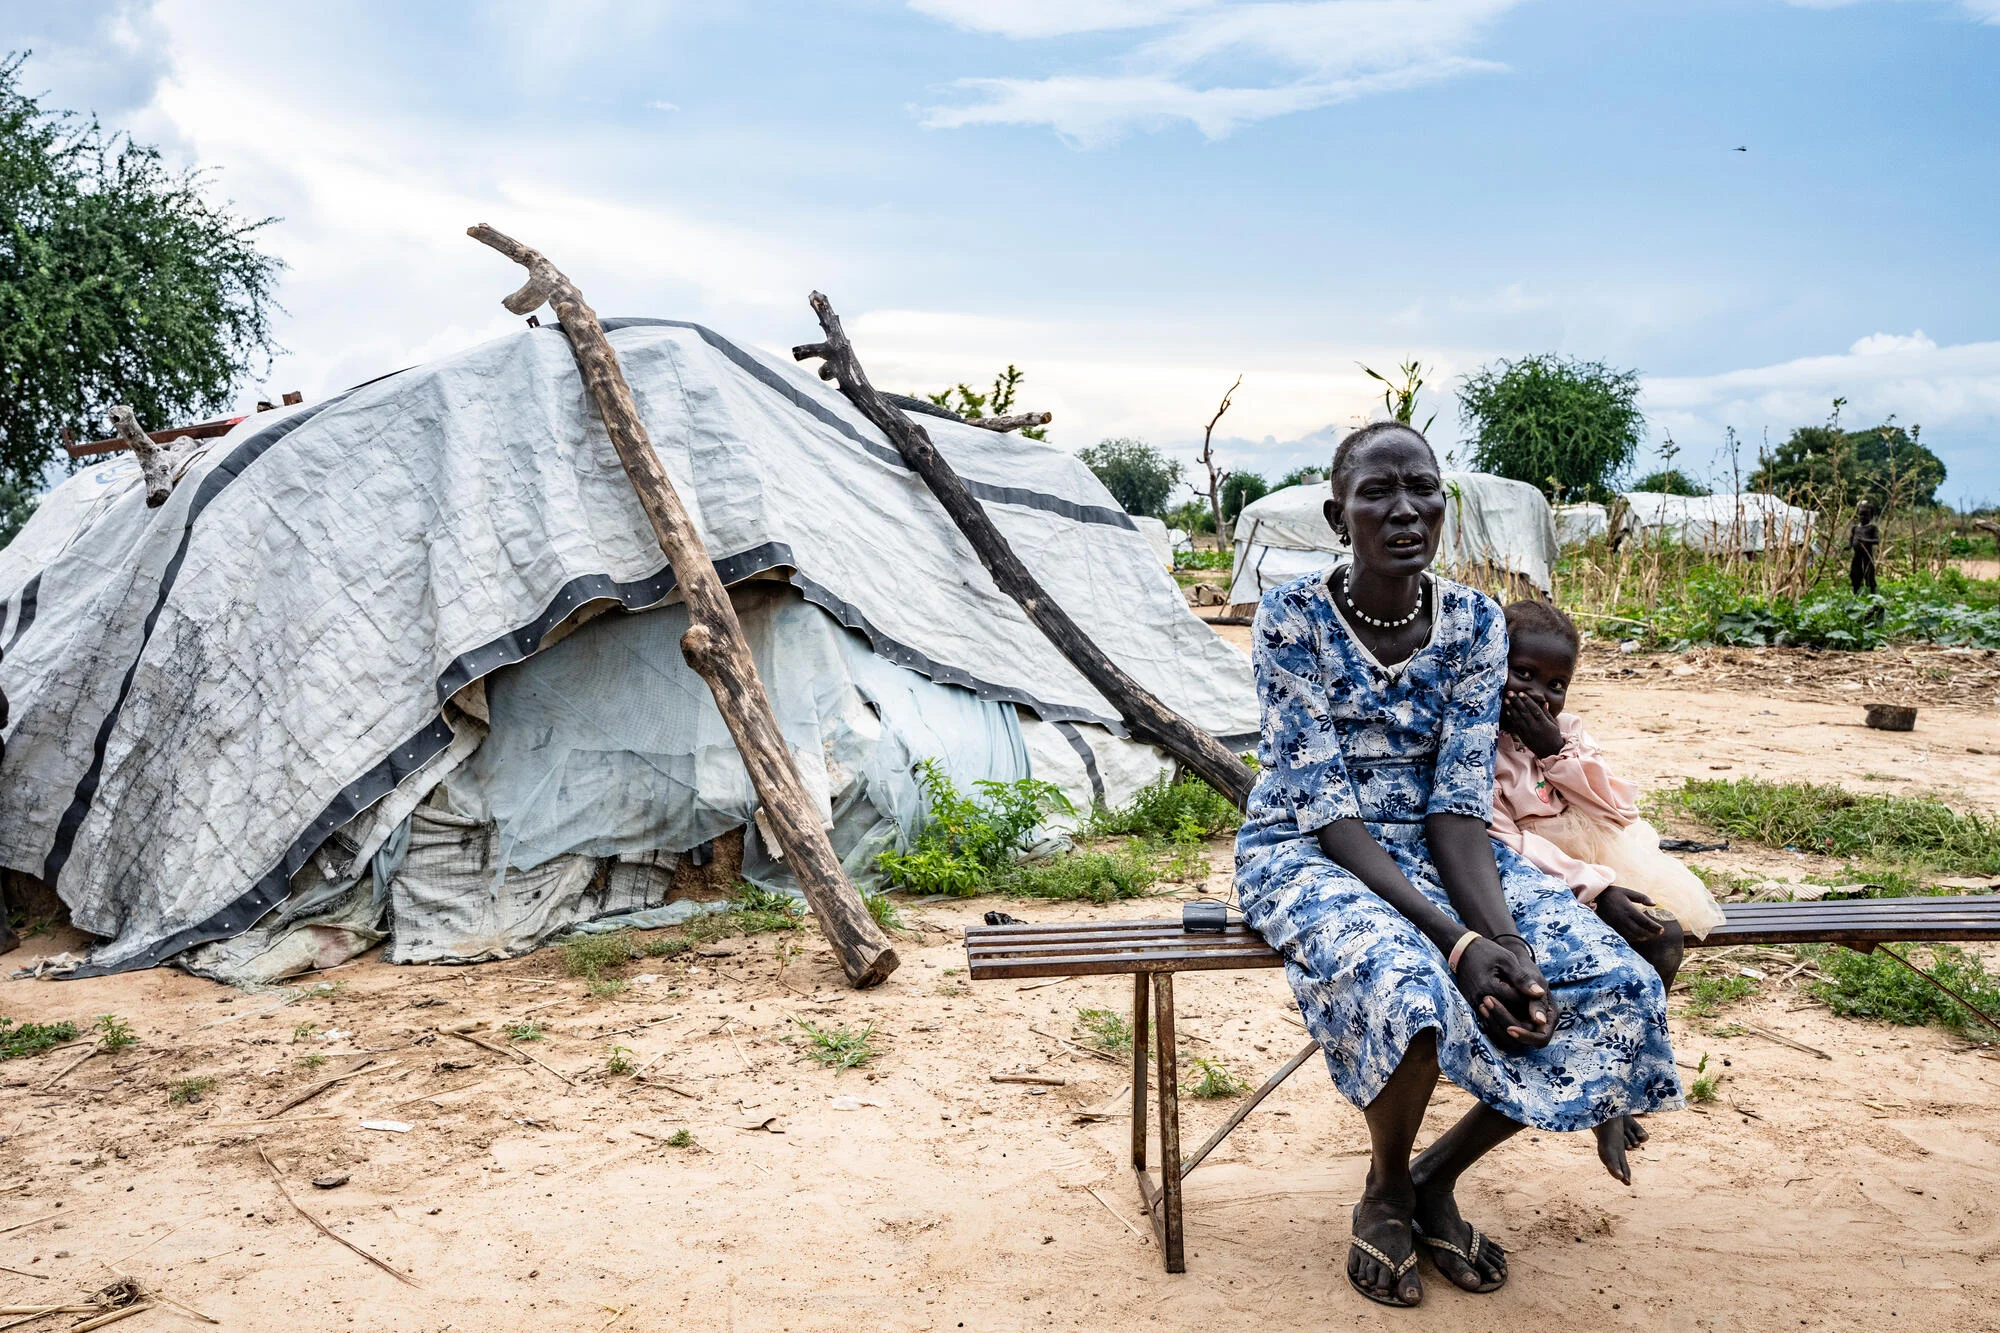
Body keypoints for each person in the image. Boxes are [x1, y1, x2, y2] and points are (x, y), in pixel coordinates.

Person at [1234, 421, 1681, 1309]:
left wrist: (1502, 937)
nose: (1405, 509)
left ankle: (1437, 1173)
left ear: (1443, 504)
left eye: (1422, 489)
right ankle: (1388, 1189)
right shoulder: (1289, 620)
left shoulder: (1476, 622)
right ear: (1338, 514)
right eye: (1376, 492)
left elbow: (1457, 801)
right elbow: (1327, 809)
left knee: (1609, 980)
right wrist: (1456, 941)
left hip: (1443, 847)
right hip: (1309, 847)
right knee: (1409, 985)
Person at [1490, 597, 1723, 1183]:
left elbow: (1616, 811)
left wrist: (1552, 750)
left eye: (1556, 683)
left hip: (1606, 862)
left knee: (1664, 939)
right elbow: (1503, 843)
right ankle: (1595, 1089)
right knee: (1603, 959)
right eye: (1523, 673)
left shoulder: (1565, 735)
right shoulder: (1478, 746)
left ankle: (1612, 1088)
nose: (1540, 693)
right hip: (1535, 881)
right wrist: (1597, 890)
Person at [1848, 501, 1881, 596]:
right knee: (1855, 572)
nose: (1862, 517)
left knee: (1869, 573)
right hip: (1857, 555)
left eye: (1865, 515)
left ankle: (1872, 592)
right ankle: (1855, 591)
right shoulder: (1855, 528)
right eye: (1860, 515)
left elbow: (1876, 541)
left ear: (1871, 516)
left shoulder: (1872, 528)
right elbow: (1851, 538)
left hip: (1867, 555)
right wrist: (1849, 546)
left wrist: (1865, 540)